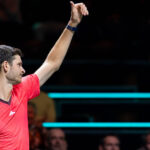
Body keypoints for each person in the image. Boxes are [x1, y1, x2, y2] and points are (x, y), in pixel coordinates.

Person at [0, 1, 89, 150]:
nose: (23, 71)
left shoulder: (21, 89)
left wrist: (72, 24)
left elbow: (52, 63)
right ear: (6, 66)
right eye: (19, 65)